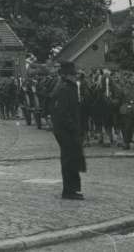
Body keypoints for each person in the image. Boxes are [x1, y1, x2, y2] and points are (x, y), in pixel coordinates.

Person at [51, 61, 86, 200]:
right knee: (69, 159)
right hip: (66, 130)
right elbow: (63, 112)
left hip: (66, 129)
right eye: (74, 74)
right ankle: (69, 191)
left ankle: (73, 189)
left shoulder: (66, 87)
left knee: (72, 158)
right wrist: (74, 127)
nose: (76, 76)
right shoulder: (66, 89)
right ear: (68, 75)